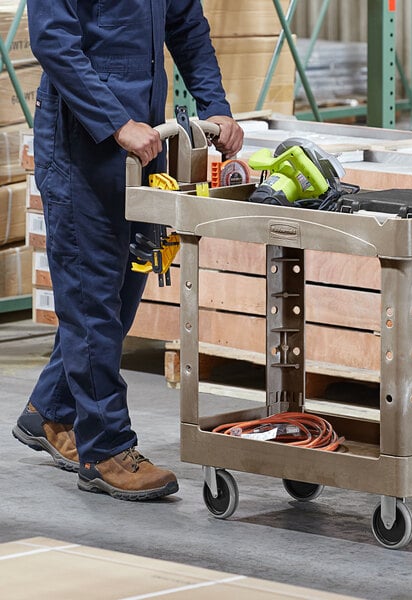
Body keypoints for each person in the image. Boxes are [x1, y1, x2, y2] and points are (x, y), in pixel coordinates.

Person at [12, 0, 244, 501]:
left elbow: (187, 26)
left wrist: (215, 105)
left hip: (143, 142)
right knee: (91, 299)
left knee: (122, 292)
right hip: (83, 141)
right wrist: (116, 121)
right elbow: (54, 41)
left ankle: (49, 413)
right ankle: (105, 451)